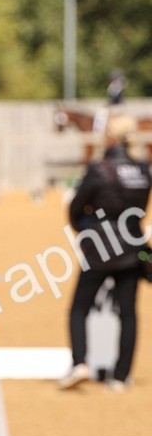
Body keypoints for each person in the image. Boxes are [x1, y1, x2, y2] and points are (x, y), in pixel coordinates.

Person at [58, 112, 151, 393]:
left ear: (109, 135)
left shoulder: (100, 168)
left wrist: (85, 229)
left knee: (79, 307)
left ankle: (80, 363)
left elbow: (76, 208)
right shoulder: (143, 169)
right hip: (134, 245)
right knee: (128, 313)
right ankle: (121, 376)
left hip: (100, 246)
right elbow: (141, 211)